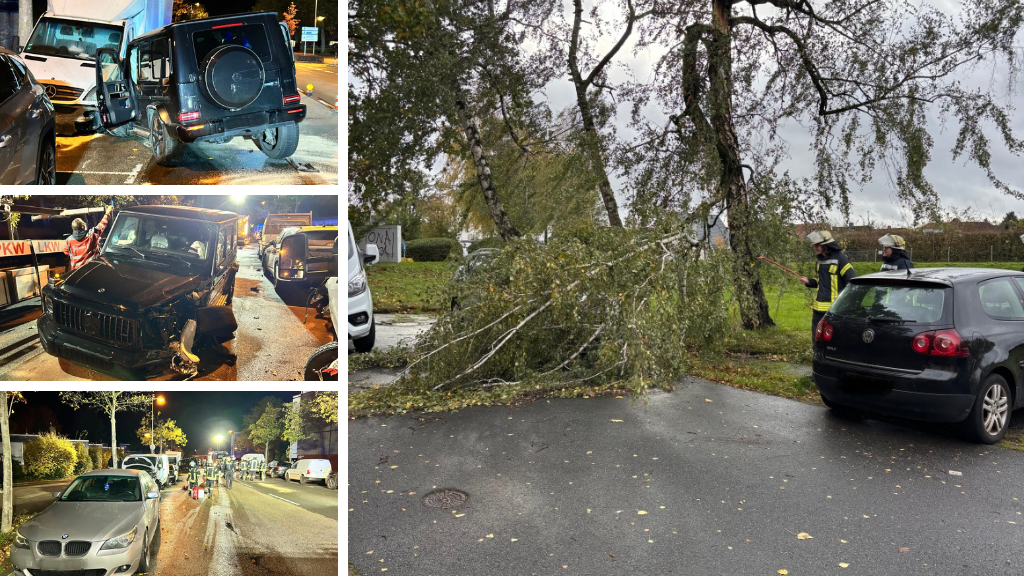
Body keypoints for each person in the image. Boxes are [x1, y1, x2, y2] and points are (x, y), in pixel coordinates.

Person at [799, 230, 856, 337]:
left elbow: (851, 283)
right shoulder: (819, 261)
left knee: (834, 341)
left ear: (826, 245)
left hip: (834, 311)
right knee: (816, 340)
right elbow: (820, 282)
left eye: (817, 245)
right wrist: (809, 282)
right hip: (818, 310)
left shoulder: (841, 260)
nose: (815, 247)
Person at [64, 205, 113, 270]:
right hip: (90, 270)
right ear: (83, 227)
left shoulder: (69, 240)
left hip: (76, 272)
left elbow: (66, 251)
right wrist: (108, 212)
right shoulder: (91, 235)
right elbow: (102, 224)